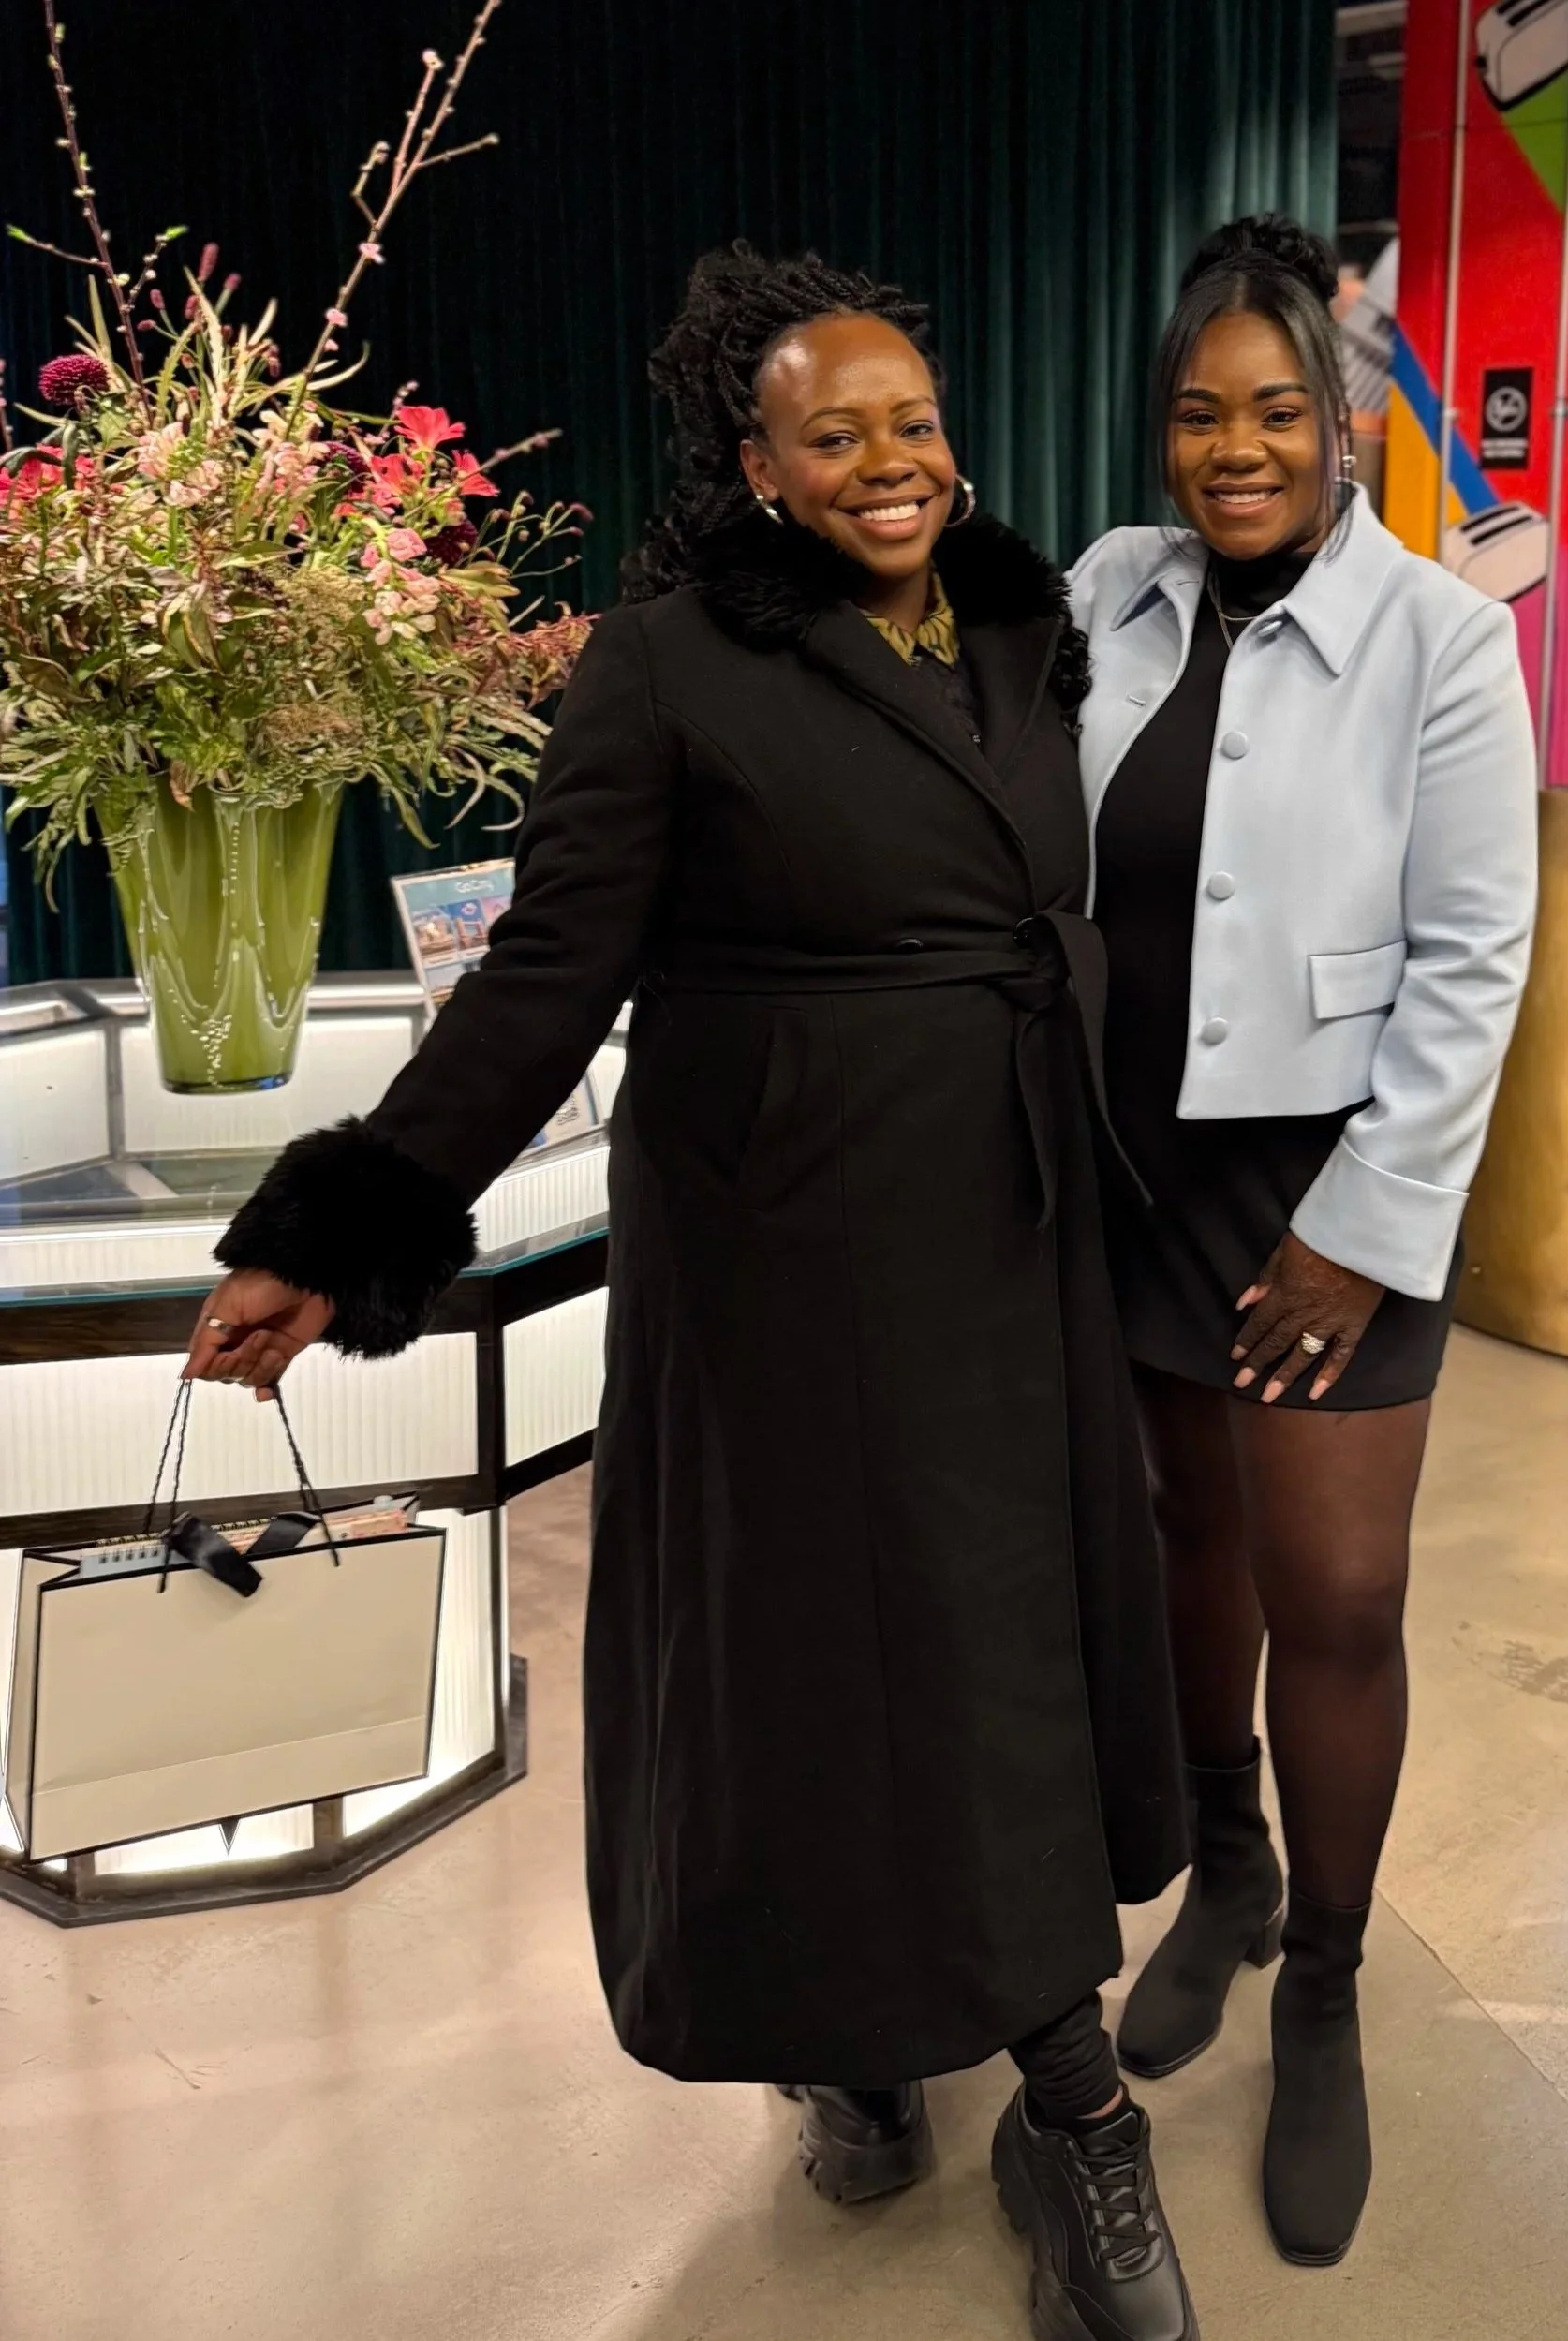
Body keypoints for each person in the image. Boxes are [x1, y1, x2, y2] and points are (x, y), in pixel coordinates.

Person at [183, 244, 1202, 2341]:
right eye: (835, 435)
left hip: (1010, 1227)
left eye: (913, 421)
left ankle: (1068, 2102)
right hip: (784, 1250)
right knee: (821, 1662)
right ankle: (853, 2036)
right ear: (757, 466)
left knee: (995, 1637)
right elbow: (552, 972)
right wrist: (336, 1226)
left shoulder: (1026, 626)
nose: (891, 462)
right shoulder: (664, 665)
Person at [1067, 216, 1538, 2268]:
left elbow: (1472, 960)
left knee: (1335, 1593)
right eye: (1199, 411)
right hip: (1138, 1173)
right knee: (1192, 1538)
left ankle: (1326, 1981)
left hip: (1334, 1192)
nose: (1234, 448)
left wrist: (1363, 1229)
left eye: (1277, 409)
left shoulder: (1446, 635)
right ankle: (1227, 1872)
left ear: (1345, 426)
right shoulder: (1109, 591)